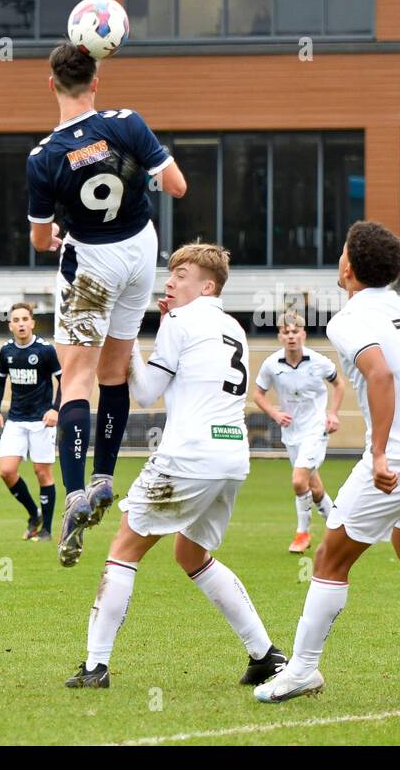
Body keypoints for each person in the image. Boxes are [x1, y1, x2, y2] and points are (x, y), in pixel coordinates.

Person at [255, 222, 400, 704]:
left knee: (329, 559)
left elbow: (379, 374)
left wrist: (380, 451)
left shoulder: (349, 318)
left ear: (350, 267)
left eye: (341, 251)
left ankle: (302, 670)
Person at [65, 244, 286, 690]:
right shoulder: (234, 327)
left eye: (180, 275)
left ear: (207, 285)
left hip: (189, 455)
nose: (169, 282)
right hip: (230, 458)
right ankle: (265, 655)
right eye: (169, 274)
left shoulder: (180, 321)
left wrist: (125, 342)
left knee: (124, 548)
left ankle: (95, 667)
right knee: (191, 554)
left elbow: (145, 393)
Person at [26, 40, 188, 565]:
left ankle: (74, 495)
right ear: (96, 82)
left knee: (76, 379)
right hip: (140, 250)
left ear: (51, 85)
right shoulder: (125, 123)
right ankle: (104, 477)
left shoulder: (43, 156)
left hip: (91, 264)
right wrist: (140, 172)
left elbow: (39, 239)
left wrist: (54, 238)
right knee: (114, 372)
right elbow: (178, 186)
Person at [251, 311, 345, 553]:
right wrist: (275, 414)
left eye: (295, 332)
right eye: (286, 332)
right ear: (280, 336)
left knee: (298, 480)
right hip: (291, 433)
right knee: (314, 489)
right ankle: (341, 530)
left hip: (315, 428)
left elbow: (339, 384)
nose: (291, 336)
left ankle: (303, 533)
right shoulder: (271, 364)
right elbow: (258, 395)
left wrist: (332, 414)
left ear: (303, 334)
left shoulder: (318, 361)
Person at [0, 303, 62, 541]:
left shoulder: (45, 350)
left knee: (42, 473)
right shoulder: (6, 351)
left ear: (32, 322)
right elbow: (1, 381)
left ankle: (47, 531)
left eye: (25, 319)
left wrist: (55, 409)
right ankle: (34, 513)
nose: (21, 323)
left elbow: (65, 380)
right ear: (10, 325)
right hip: (16, 420)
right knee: (6, 471)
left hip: (42, 421)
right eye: (16, 320)